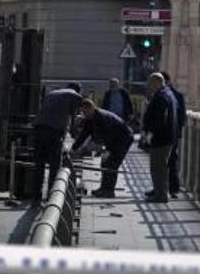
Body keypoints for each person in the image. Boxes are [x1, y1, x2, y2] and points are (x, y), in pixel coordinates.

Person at [30, 83, 83, 207]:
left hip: (38, 129)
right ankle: (51, 198)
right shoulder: (75, 95)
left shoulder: (52, 93)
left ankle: (35, 199)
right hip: (53, 132)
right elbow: (73, 119)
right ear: (78, 91)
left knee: (39, 165)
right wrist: (76, 140)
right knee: (54, 166)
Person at [72, 99, 134, 199]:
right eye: (82, 112)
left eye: (85, 111)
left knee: (112, 164)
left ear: (92, 108)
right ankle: (103, 188)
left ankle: (109, 191)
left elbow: (109, 135)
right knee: (104, 163)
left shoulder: (102, 117)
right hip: (113, 140)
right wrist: (74, 148)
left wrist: (108, 150)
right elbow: (84, 134)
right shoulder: (90, 119)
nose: (84, 114)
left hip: (123, 139)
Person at [142, 73, 178, 204]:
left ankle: (161, 195)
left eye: (151, 83)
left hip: (161, 138)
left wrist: (151, 133)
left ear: (157, 82)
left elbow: (160, 118)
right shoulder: (168, 93)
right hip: (167, 137)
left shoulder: (161, 96)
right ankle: (158, 190)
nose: (149, 86)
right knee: (160, 166)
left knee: (158, 166)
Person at [161, 71, 187, 198]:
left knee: (164, 161)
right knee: (170, 160)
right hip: (173, 133)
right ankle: (171, 188)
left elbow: (181, 117)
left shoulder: (168, 95)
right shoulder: (176, 95)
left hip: (167, 133)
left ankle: (167, 188)